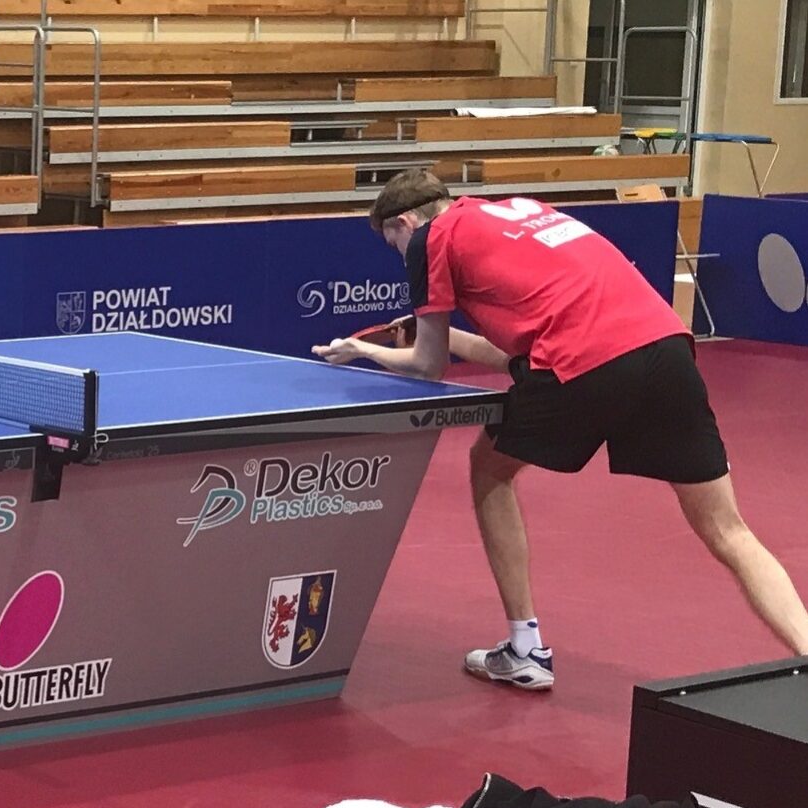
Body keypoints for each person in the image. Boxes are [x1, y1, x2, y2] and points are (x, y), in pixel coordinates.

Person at [313, 169, 808, 691]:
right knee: (728, 529)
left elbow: (427, 366)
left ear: (405, 222)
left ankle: (525, 649)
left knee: (489, 468)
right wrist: (445, 336)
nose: (398, 252)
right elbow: (520, 358)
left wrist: (362, 350)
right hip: (665, 348)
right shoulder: (520, 211)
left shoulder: (429, 239)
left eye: (391, 241)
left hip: (585, 362)